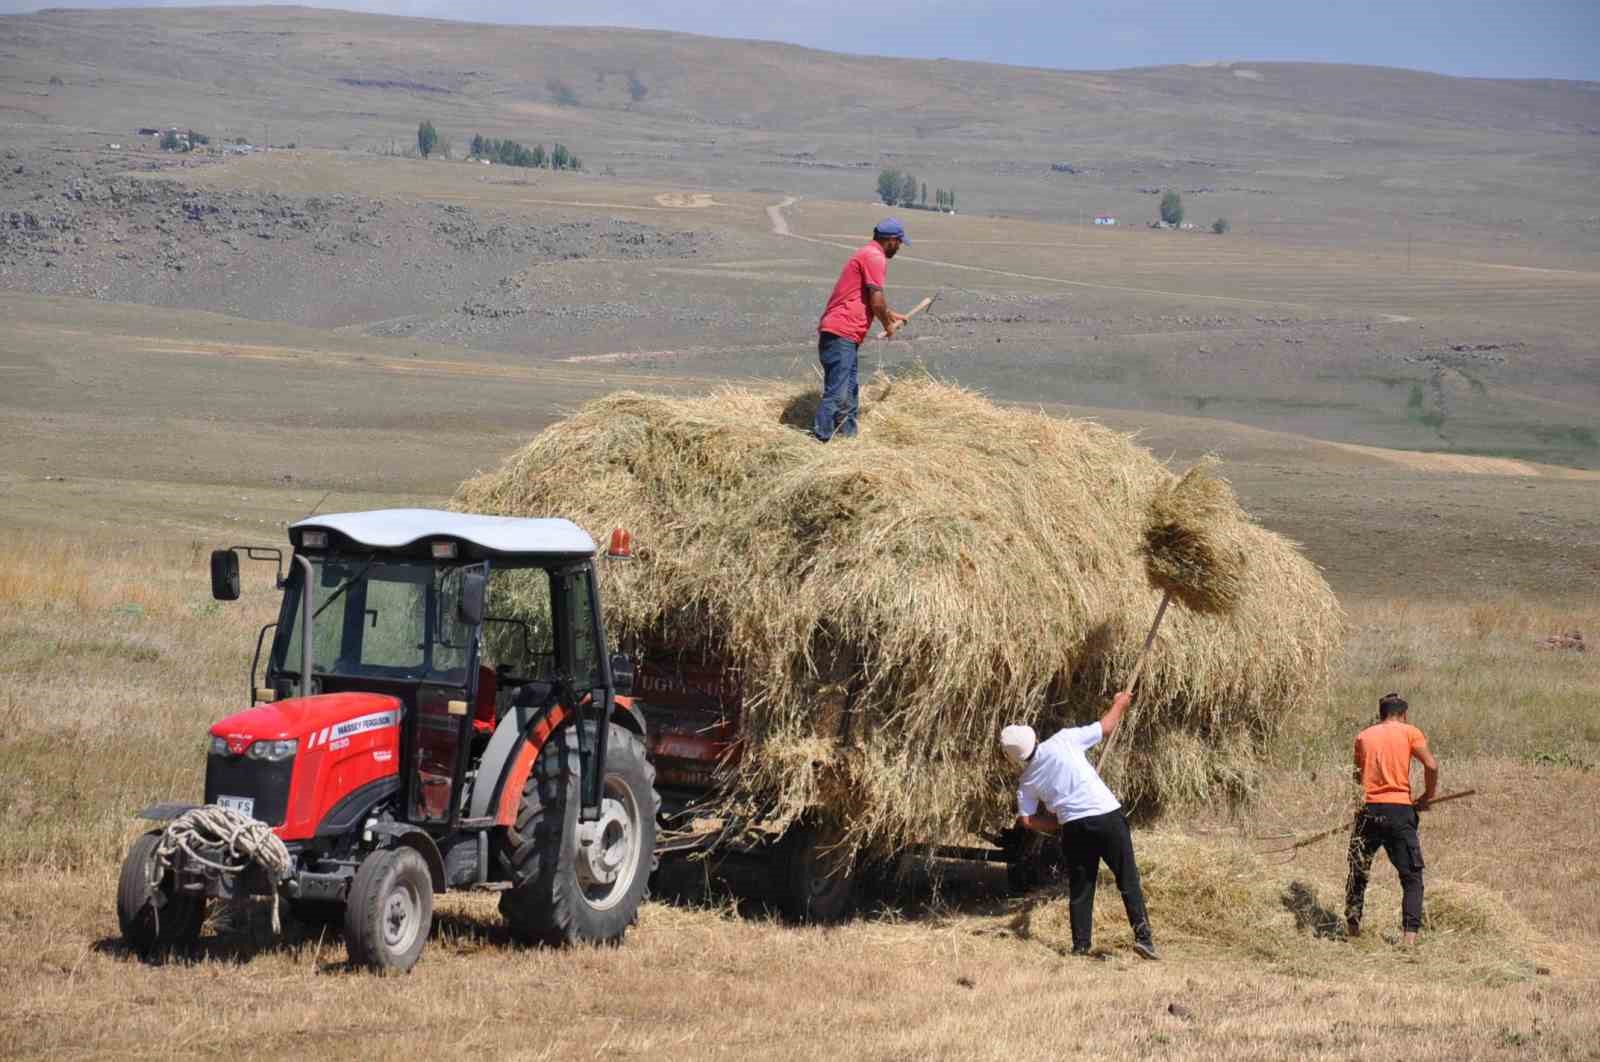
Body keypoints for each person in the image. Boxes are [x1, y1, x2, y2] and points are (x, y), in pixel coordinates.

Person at [1000, 691, 1158, 960]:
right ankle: (1144, 939)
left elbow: (1026, 819)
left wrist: (1056, 822)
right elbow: (1106, 727)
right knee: (1127, 878)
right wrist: (1120, 703)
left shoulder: (1026, 781)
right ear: (1034, 736)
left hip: (1073, 828)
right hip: (1106, 815)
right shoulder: (1063, 740)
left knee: (1082, 887)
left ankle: (1080, 946)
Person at [1345, 692, 1439, 946]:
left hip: (1369, 811)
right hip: (1399, 811)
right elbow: (1431, 765)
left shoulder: (1363, 736)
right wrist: (1427, 797)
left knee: (1358, 870)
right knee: (1411, 876)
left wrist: (1359, 808)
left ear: (1380, 714)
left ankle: (1353, 931)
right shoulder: (1410, 732)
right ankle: (1409, 939)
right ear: (1404, 714)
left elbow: (1356, 777)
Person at [812, 219, 909, 441]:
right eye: (900, 242)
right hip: (841, 333)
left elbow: (864, 298)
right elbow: (876, 301)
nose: (900, 247)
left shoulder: (867, 254)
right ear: (891, 240)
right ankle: (820, 440)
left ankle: (848, 439)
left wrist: (891, 315)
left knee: (849, 390)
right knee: (837, 392)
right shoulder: (875, 257)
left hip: (844, 334)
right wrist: (887, 325)